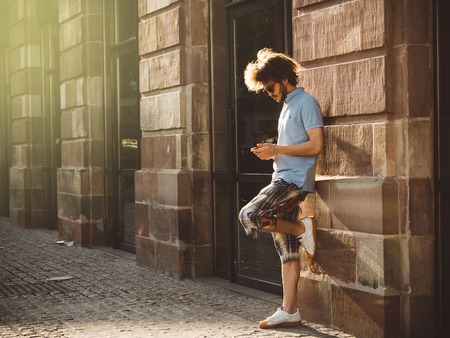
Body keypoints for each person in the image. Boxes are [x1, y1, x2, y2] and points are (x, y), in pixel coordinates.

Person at [238, 48, 324, 329]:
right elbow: (294, 147)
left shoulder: (306, 103)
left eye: (270, 87)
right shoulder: (287, 106)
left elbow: (316, 146)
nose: (269, 93)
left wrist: (276, 148)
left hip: (292, 182)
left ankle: (302, 228)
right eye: (265, 90)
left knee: (249, 215)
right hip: (283, 176)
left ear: (285, 78)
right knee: (288, 252)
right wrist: (271, 153)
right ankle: (290, 310)